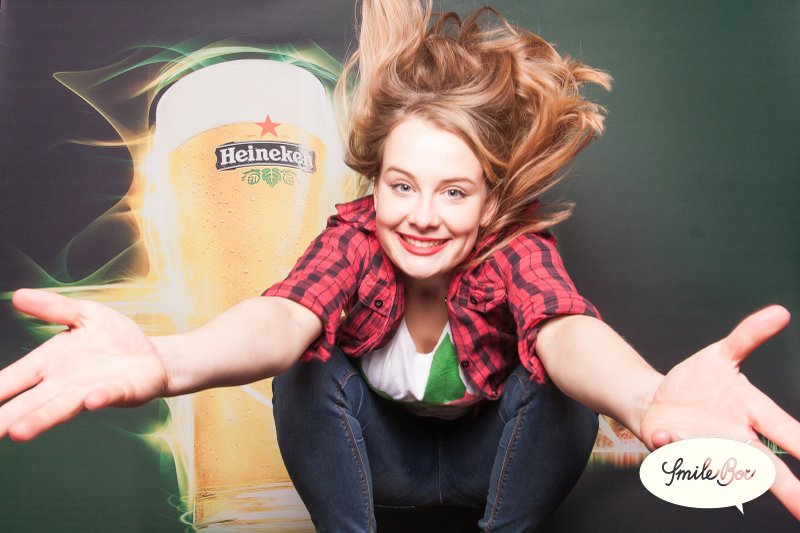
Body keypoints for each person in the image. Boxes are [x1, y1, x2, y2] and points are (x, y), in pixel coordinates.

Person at [0, 1, 798, 531]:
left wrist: (647, 396)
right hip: (385, 464)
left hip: (487, 465)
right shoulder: (355, 238)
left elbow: (563, 329)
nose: (421, 214)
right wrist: (166, 357)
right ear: (376, 182)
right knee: (308, 363)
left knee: (554, 385)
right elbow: (283, 316)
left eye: (454, 191)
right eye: (402, 184)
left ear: (490, 201)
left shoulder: (512, 247)